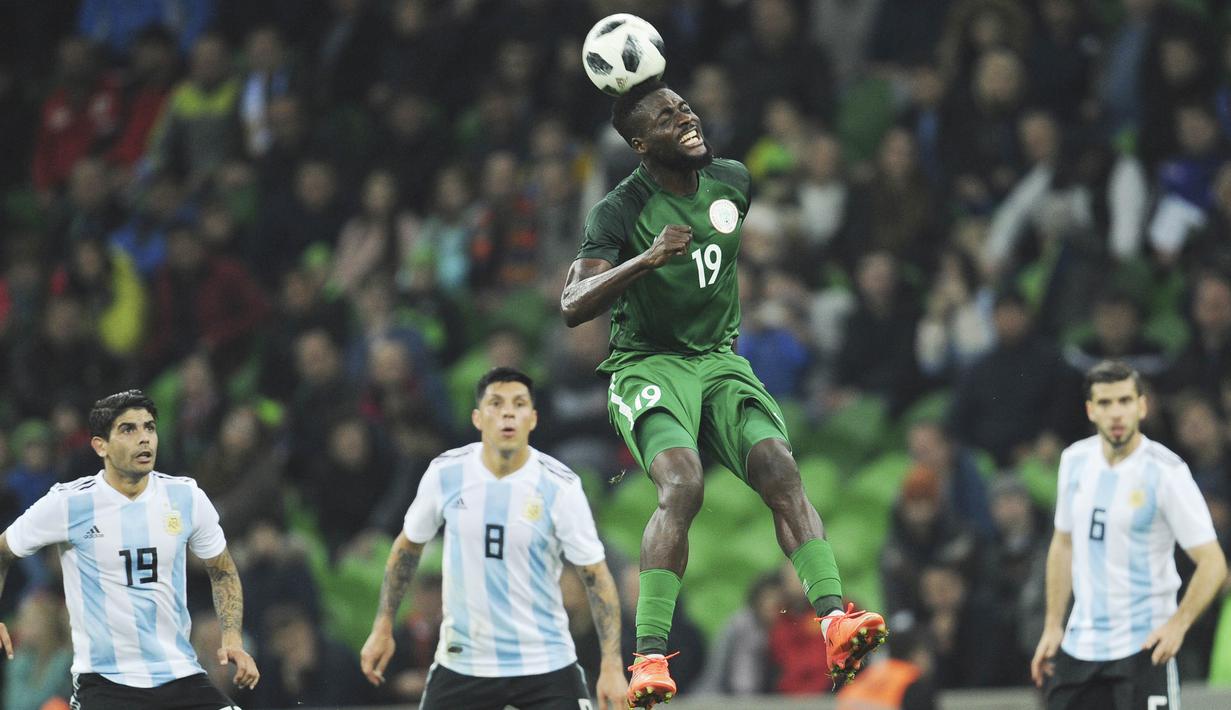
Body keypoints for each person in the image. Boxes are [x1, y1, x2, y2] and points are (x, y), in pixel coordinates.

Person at [560, 79, 886, 708]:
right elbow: (572, 304)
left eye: (684, 106)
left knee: (781, 469)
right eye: (665, 117)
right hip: (648, 365)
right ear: (638, 144)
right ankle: (650, 659)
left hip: (718, 360)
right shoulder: (619, 211)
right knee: (683, 485)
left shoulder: (733, 180)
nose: (685, 117)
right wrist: (645, 261)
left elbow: (730, 249)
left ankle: (836, 622)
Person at [359, 367, 627, 710]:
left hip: (545, 660)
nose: (507, 413)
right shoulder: (446, 473)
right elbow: (407, 547)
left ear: (532, 418)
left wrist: (611, 665)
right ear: (477, 417)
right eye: (496, 403)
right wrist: (383, 626)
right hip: (464, 662)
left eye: (518, 404)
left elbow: (595, 574)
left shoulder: (560, 485)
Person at [0, 389, 259, 709]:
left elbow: (221, 569)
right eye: (128, 429)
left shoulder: (186, 498)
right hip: (105, 684)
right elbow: (4, 551)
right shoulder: (69, 504)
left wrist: (232, 637)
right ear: (100, 445)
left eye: (149, 427)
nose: (144, 438)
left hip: (179, 676)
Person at [1030, 360, 1228, 708]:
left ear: (1142, 406)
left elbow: (1213, 563)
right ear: (1091, 410)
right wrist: (1052, 625)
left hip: (1142, 647)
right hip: (1081, 649)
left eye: (1124, 401)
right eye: (1105, 403)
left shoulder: (1166, 472)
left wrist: (1178, 625)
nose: (1116, 413)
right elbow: (1063, 544)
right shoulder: (1074, 461)